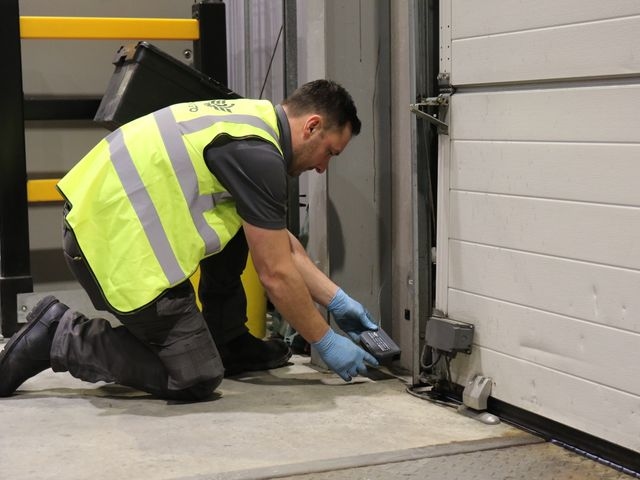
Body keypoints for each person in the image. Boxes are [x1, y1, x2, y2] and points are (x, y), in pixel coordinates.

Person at [0, 79, 379, 401]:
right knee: (195, 376)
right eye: (330, 152)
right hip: (111, 247)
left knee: (250, 231)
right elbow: (276, 273)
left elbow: (279, 244)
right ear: (312, 126)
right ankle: (61, 336)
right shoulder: (258, 155)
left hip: (100, 221)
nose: (322, 166)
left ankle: (227, 340)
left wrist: (338, 300)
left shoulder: (251, 120)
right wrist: (325, 340)